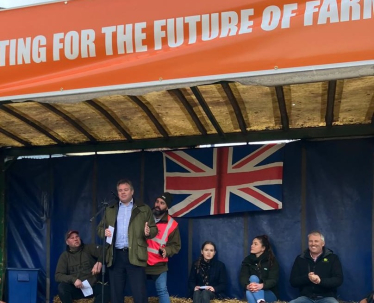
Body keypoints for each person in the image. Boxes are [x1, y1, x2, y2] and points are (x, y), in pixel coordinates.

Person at [97, 178, 157, 303]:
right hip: (116, 255)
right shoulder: (110, 209)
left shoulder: (143, 209)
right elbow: (100, 229)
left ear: (132, 191)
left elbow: (153, 229)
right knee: (116, 294)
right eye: (120, 190)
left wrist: (148, 232)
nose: (123, 192)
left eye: (126, 190)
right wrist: (104, 232)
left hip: (135, 255)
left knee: (139, 293)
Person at [55, 230, 110, 303]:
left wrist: (99, 262)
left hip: (92, 286)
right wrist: (73, 279)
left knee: (107, 290)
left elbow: (105, 250)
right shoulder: (64, 256)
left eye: (77, 236)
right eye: (72, 238)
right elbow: (58, 276)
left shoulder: (88, 248)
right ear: (67, 242)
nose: (75, 239)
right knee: (62, 288)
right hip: (77, 289)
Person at [146, 192, 181, 303]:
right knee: (140, 292)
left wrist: (166, 250)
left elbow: (176, 245)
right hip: (141, 262)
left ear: (167, 207)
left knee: (162, 291)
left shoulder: (172, 224)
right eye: (157, 202)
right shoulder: (144, 217)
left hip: (159, 264)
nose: (158, 205)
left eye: (162, 203)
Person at [289, 231, 343, 303]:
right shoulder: (300, 259)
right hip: (306, 298)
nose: (313, 244)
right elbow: (293, 282)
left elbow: (338, 280)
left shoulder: (333, 258)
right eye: (311, 241)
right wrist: (307, 278)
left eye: (316, 241)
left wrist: (320, 281)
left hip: (327, 298)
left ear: (323, 243)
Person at [239, 235, 279, 303]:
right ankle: (260, 301)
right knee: (252, 280)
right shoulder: (247, 261)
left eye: (255, 244)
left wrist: (261, 285)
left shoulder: (271, 261)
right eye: (252, 243)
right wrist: (248, 286)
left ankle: (260, 299)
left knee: (250, 292)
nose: (252, 246)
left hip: (269, 293)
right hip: (251, 290)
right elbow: (243, 276)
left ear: (263, 248)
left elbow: (273, 280)